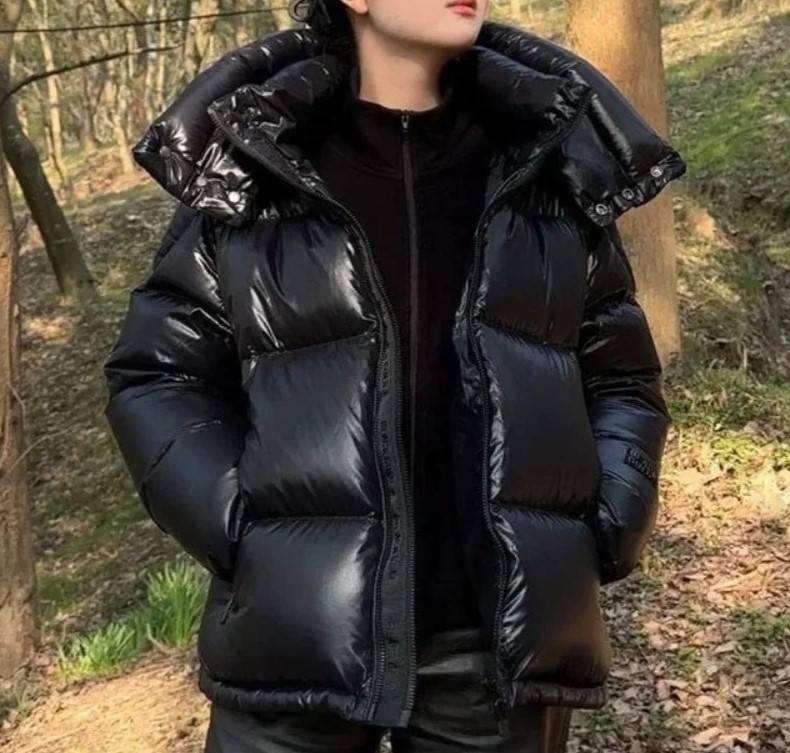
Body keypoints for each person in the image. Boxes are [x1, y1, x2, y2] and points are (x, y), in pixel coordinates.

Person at [101, 0, 686, 750]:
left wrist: (606, 521)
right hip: (294, 636)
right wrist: (245, 531)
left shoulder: (539, 163)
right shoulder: (258, 161)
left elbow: (620, 379)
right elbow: (158, 374)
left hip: (491, 650)